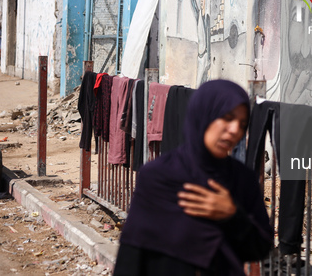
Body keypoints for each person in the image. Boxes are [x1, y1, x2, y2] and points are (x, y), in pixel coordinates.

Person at [114, 80, 272, 276]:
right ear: (204, 114)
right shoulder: (158, 176)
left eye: (242, 124)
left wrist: (232, 215)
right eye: (227, 117)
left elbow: (261, 247)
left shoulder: (242, 180)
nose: (234, 130)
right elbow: (132, 255)